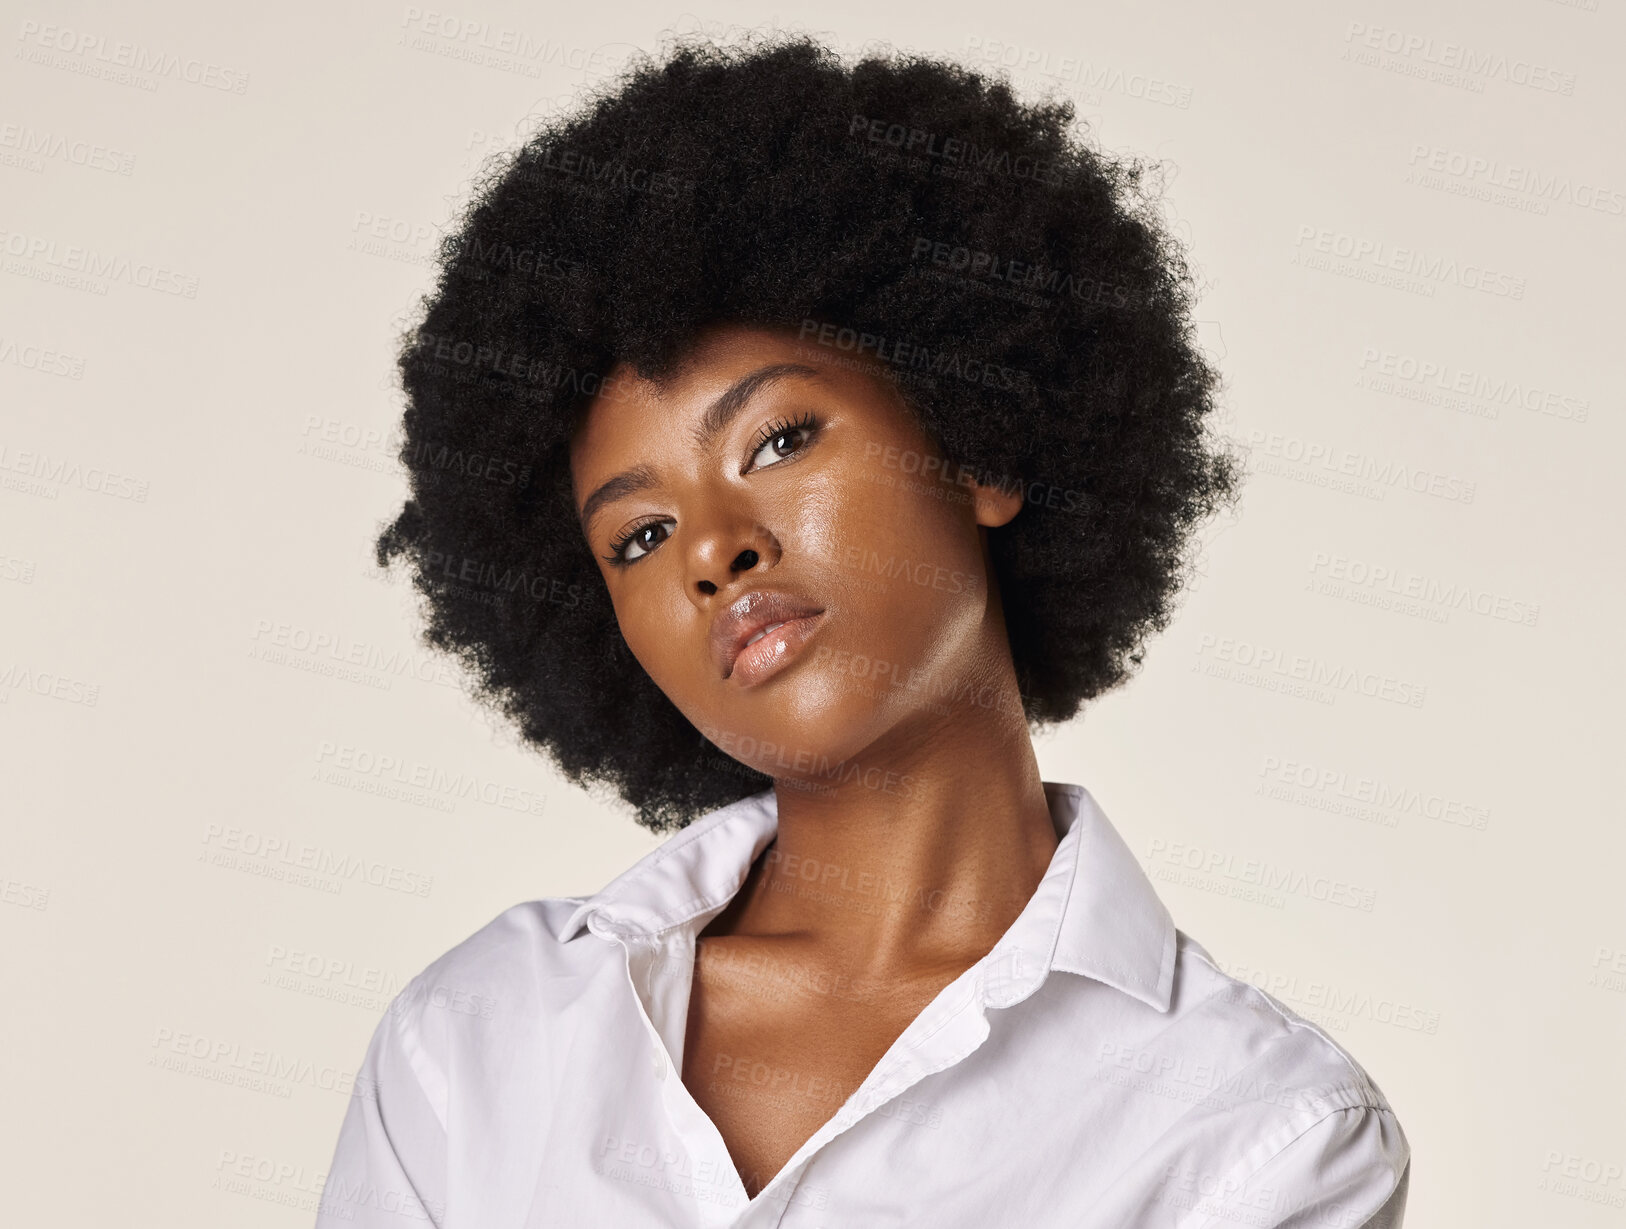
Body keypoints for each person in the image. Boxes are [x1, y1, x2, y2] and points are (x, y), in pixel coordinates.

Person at [316, 33, 1410, 1228]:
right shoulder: (481, 1036)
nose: (712, 549)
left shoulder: (1258, 1135)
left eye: (780, 440)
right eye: (636, 537)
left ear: (978, 443)